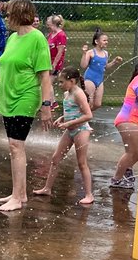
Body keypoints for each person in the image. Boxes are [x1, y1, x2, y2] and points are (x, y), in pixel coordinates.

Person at [0, 0, 55, 212]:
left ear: (18, 14)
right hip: (8, 97)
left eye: (9, 13)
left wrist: (46, 105)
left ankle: (19, 199)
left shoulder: (37, 38)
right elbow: (5, 68)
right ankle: (17, 193)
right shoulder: (12, 38)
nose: (6, 16)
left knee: (16, 145)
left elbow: (45, 76)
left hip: (25, 96)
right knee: (13, 147)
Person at [32, 67, 94, 205]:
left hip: (81, 130)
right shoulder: (68, 93)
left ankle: (89, 195)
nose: (59, 85)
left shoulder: (79, 94)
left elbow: (88, 115)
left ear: (72, 81)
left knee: (81, 163)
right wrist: (62, 118)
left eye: (61, 82)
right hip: (70, 129)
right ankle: (47, 188)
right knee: (55, 158)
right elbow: (73, 110)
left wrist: (69, 123)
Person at [110, 56, 138, 191]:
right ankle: (116, 179)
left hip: (136, 120)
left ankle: (127, 168)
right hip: (127, 120)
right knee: (130, 152)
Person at [81, 29, 122, 111]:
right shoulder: (90, 52)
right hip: (90, 78)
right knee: (89, 102)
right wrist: (84, 53)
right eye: (104, 40)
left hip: (99, 80)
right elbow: (83, 65)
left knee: (97, 104)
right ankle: (84, 118)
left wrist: (114, 62)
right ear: (96, 41)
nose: (106, 42)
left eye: (107, 40)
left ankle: (84, 115)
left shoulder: (105, 53)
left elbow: (105, 67)